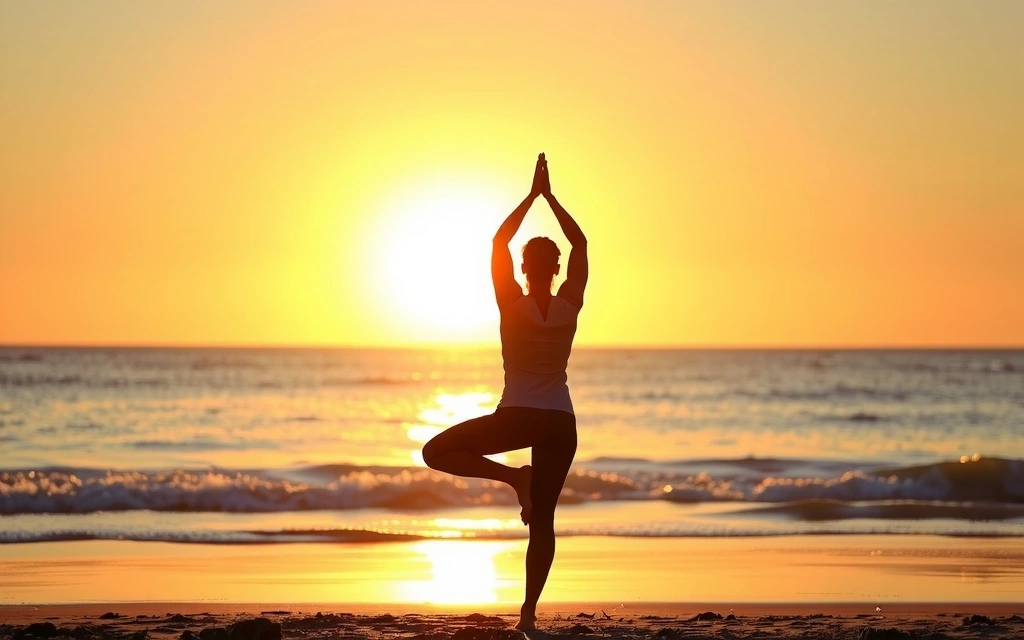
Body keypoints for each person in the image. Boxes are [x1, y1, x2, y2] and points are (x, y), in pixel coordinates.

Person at [422, 153, 588, 631]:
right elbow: (580, 242)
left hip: (517, 415)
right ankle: (528, 619)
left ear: (522, 266)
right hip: (560, 421)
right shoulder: (569, 305)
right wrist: (552, 200)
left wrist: (531, 197)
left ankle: (515, 479)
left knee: (437, 452)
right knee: (545, 521)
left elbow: (498, 239)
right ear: (556, 268)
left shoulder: (510, 302)